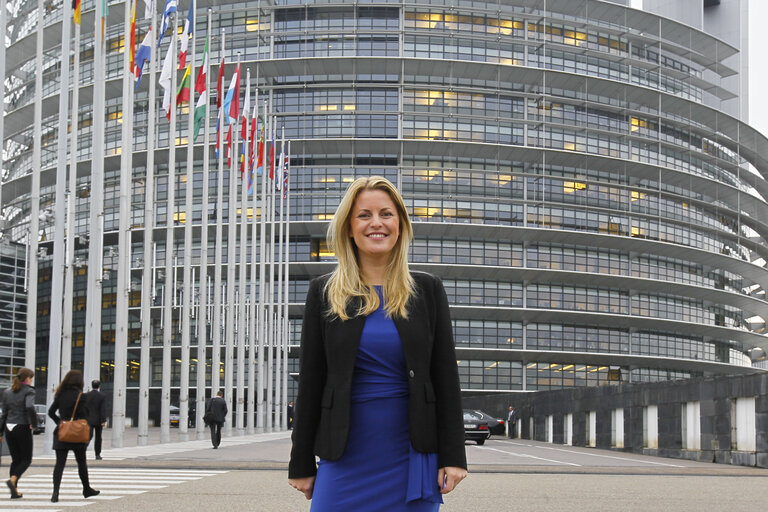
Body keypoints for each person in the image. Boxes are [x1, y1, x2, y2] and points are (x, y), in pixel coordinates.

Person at [288, 176, 468, 510]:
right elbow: (311, 382)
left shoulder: (427, 290)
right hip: (344, 455)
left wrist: (454, 456)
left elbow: (445, 379)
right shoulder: (325, 292)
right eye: (364, 215)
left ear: (400, 224)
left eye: (386, 213)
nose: (376, 223)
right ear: (349, 227)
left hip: (411, 454)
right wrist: (300, 462)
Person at [48, 370, 100, 503]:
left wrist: (60, 422)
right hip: (77, 433)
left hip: (62, 432)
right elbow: (86, 415)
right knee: (81, 462)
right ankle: (86, 489)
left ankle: (55, 493)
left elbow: (51, 412)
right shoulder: (82, 396)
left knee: (59, 464)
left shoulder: (60, 395)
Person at [0, 367, 37, 499]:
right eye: (31, 377)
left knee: (15, 460)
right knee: (26, 459)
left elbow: (4, 413)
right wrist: (34, 422)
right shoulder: (29, 391)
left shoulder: (7, 392)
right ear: (27, 378)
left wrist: (0, 432)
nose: (32, 380)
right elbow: (29, 407)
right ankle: (13, 479)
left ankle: (14, 491)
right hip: (22, 426)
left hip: (9, 428)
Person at [84, 380, 107, 460]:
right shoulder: (102, 396)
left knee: (88, 436)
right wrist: (103, 420)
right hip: (98, 420)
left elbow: (84, 408)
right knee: (98, 437)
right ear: (99, 386)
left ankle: (83, 450)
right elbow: (102, 409)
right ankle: (97, 454)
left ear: (91, 385)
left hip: (88, 420)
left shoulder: (87, 395)